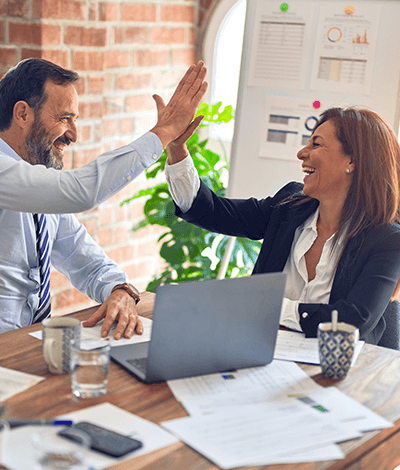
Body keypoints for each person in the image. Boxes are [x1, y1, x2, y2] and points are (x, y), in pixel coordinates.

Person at [0, 58, 207, 338]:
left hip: (28, 342)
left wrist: (119, 289)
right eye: (64, 118)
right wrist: (163, 132)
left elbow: (82, 257)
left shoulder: (36, 184)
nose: (73, 134)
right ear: (23, 114)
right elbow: (80, 191)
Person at [165, 106, 400, 345]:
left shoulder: (387, 240)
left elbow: (352, 321)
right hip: (267, 357)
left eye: (316, 144)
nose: (301, 153)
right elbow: (213, 212)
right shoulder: (290, 206)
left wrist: (272, 308)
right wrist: (176, 149)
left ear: (352, 160)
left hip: (343, 373)